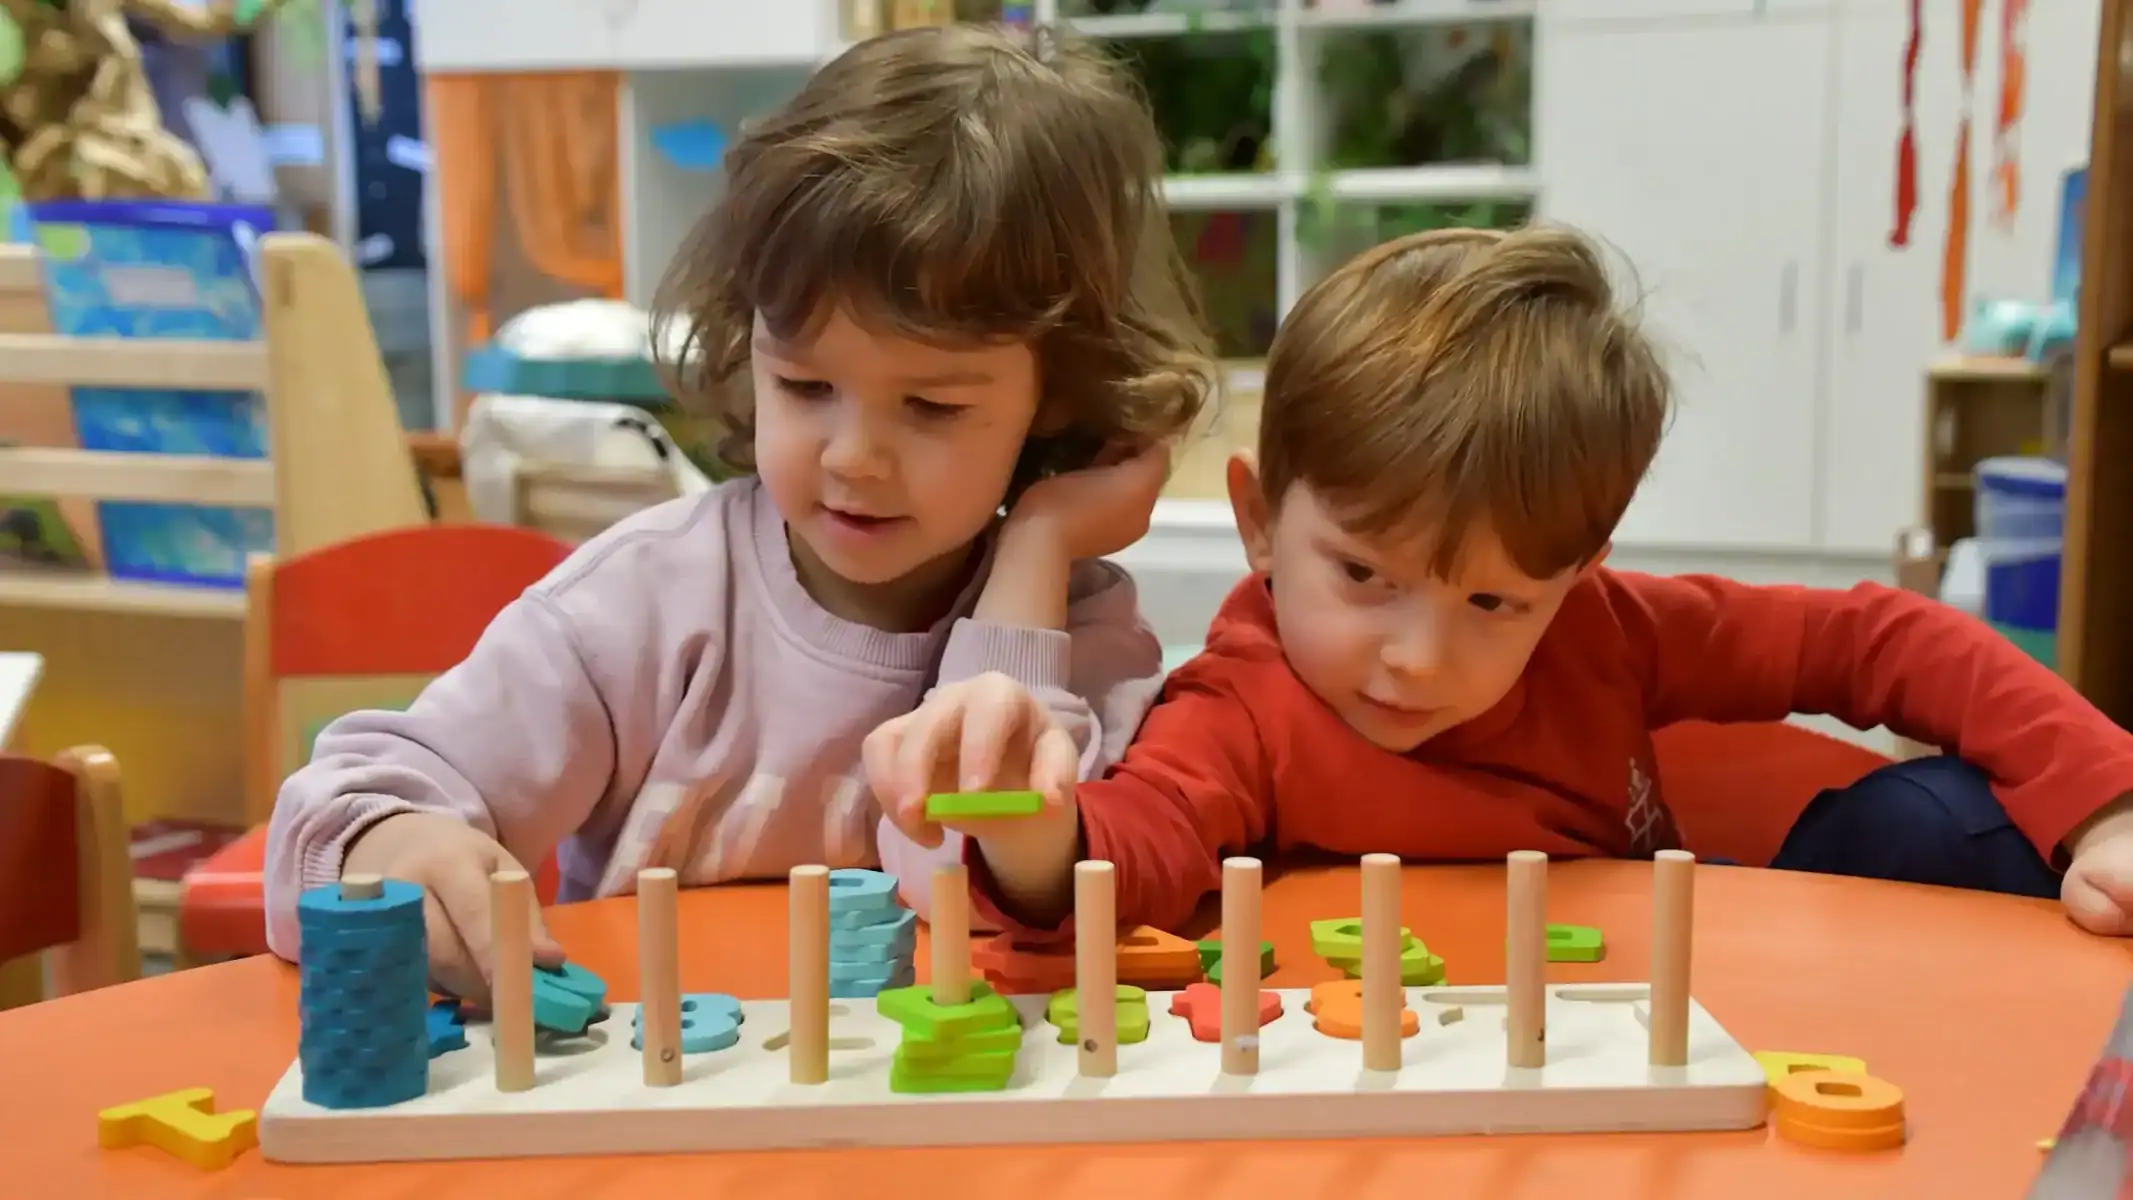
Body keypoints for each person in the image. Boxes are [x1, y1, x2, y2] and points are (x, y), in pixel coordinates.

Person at [261, 23, 1217, 1003]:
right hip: (652, 1121)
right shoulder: (648, 598)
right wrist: (392, 840)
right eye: (803, 385)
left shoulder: (1077, 633)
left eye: (931, 406)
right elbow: (330, 820)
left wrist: (1039, 551)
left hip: (937, 1133)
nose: (851, 456)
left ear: (1054, 395)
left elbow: (967, 892)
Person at [869, 224, 2133, 939]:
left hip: (1681, 974)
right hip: (1445, 1057)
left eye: (1492, 604)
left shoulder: (1609, 628)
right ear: (1258, 521)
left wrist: (2104, 807)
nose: (1419, 655)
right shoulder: (1243, 706)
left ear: (1577, 573)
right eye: (1362, 574)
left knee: (1948, 819)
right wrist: (1035, 834)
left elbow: (1884, 640)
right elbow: (1135, 846)